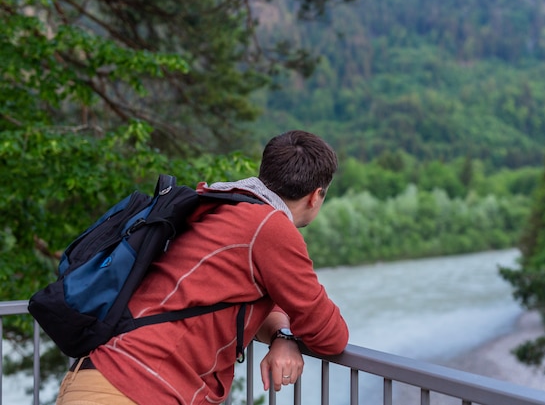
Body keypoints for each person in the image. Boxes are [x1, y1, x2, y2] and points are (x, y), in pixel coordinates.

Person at [55, 130, 349, 405]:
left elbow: (241, 300)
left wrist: (282, 335)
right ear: (315, 196)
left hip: (101, 379)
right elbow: (329, 335)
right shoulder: (270, 227)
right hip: (136, 389)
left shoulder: (219, 205)